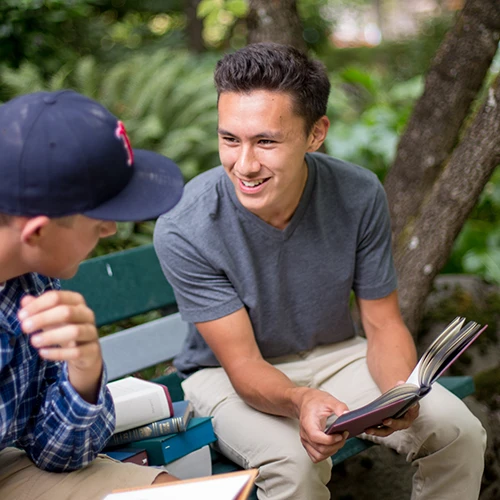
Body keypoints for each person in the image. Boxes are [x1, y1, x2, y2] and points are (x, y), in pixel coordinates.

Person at [153, 43, 487, 500]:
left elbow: (382, 321)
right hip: (225, 373)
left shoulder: (357, 193)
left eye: (266, 141)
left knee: (457, 431)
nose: (244, 165)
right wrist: (300, 399)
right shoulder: (186, 227)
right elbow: (245, 364)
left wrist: (398, 394)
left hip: (335, 354)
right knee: (294, 466)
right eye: (230, 139)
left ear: (316, 134)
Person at [0, 89, 184, 500]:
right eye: (101, 220)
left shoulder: (33, 281)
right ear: (38, 231)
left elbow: (60, 455)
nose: (111, 231)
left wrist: (84, 372)